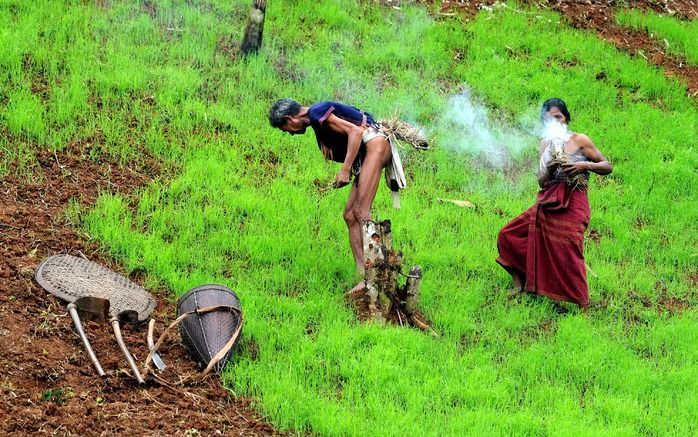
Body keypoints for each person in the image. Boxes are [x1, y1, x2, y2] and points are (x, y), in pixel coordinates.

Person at [269, 99, 402, 291]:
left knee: (361, 212)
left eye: (286, 129)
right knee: (349, 215)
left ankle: (378, 275)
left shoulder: (316, 112)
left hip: (375, 146)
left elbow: (355, 132)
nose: (289, 133)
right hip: (367, 154)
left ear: (290, 119)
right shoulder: (318, 125)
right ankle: (364, 276)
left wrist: (345, 170)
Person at [496, 98, 613, 308]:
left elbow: (607, 166)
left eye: (558, 117)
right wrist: (549, 168)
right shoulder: (545, 144)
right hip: (548, 202)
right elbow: (541, 182)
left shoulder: (580, 140)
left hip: (574, 202)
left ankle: (582, 303)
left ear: (566, 117)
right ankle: (520, 285)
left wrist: (582, 166)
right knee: (509, 235)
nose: (555, 122)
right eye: (549, 119)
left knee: (570, 250)